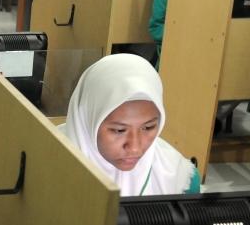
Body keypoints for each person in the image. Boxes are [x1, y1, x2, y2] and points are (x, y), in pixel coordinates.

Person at [57, 54, 200, 196]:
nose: (135, 148)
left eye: (148, 127)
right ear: (87, 119)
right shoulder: (43, 164)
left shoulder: (179, 180)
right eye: (119, 130)